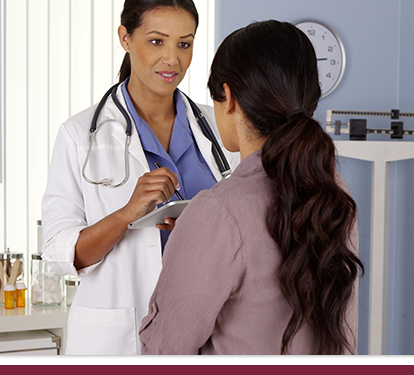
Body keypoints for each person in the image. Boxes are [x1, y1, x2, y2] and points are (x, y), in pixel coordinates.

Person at [139, 20, 364, 355]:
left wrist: (200, 233)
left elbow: (162, 350)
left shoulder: (218, 211)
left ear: (228, 97)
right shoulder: (334, 194)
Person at [41, 0, 239, 355]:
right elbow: (61, 255)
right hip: (121, 336)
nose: (172, 60)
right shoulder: (79, 135)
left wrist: (200, 230)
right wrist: (127, 214)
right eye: (156, 41)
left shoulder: (219, 125)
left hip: (210, 327)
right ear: (125, 38)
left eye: (184, 43)